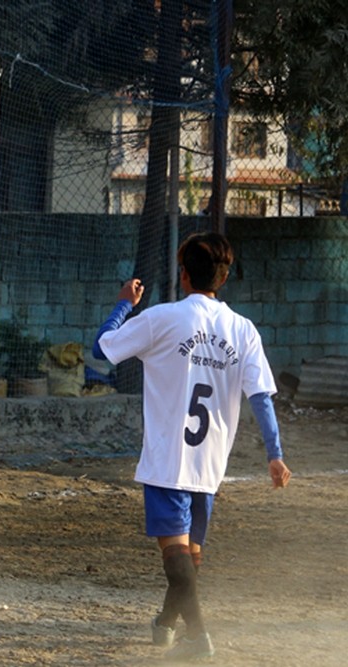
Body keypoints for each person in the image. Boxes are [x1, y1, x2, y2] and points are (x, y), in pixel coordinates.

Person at [92, 231, 292, 661]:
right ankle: (166, 624)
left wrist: (125, 302)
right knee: (189, 558)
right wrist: (274, 454)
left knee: (177, 559)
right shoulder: (243, 330)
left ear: (183, 275)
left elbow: (103, 348)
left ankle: (198, 635)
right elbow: (260, 396)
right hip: (209, 466)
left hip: (168, 461)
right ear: (223, 277)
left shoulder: (163, 318)